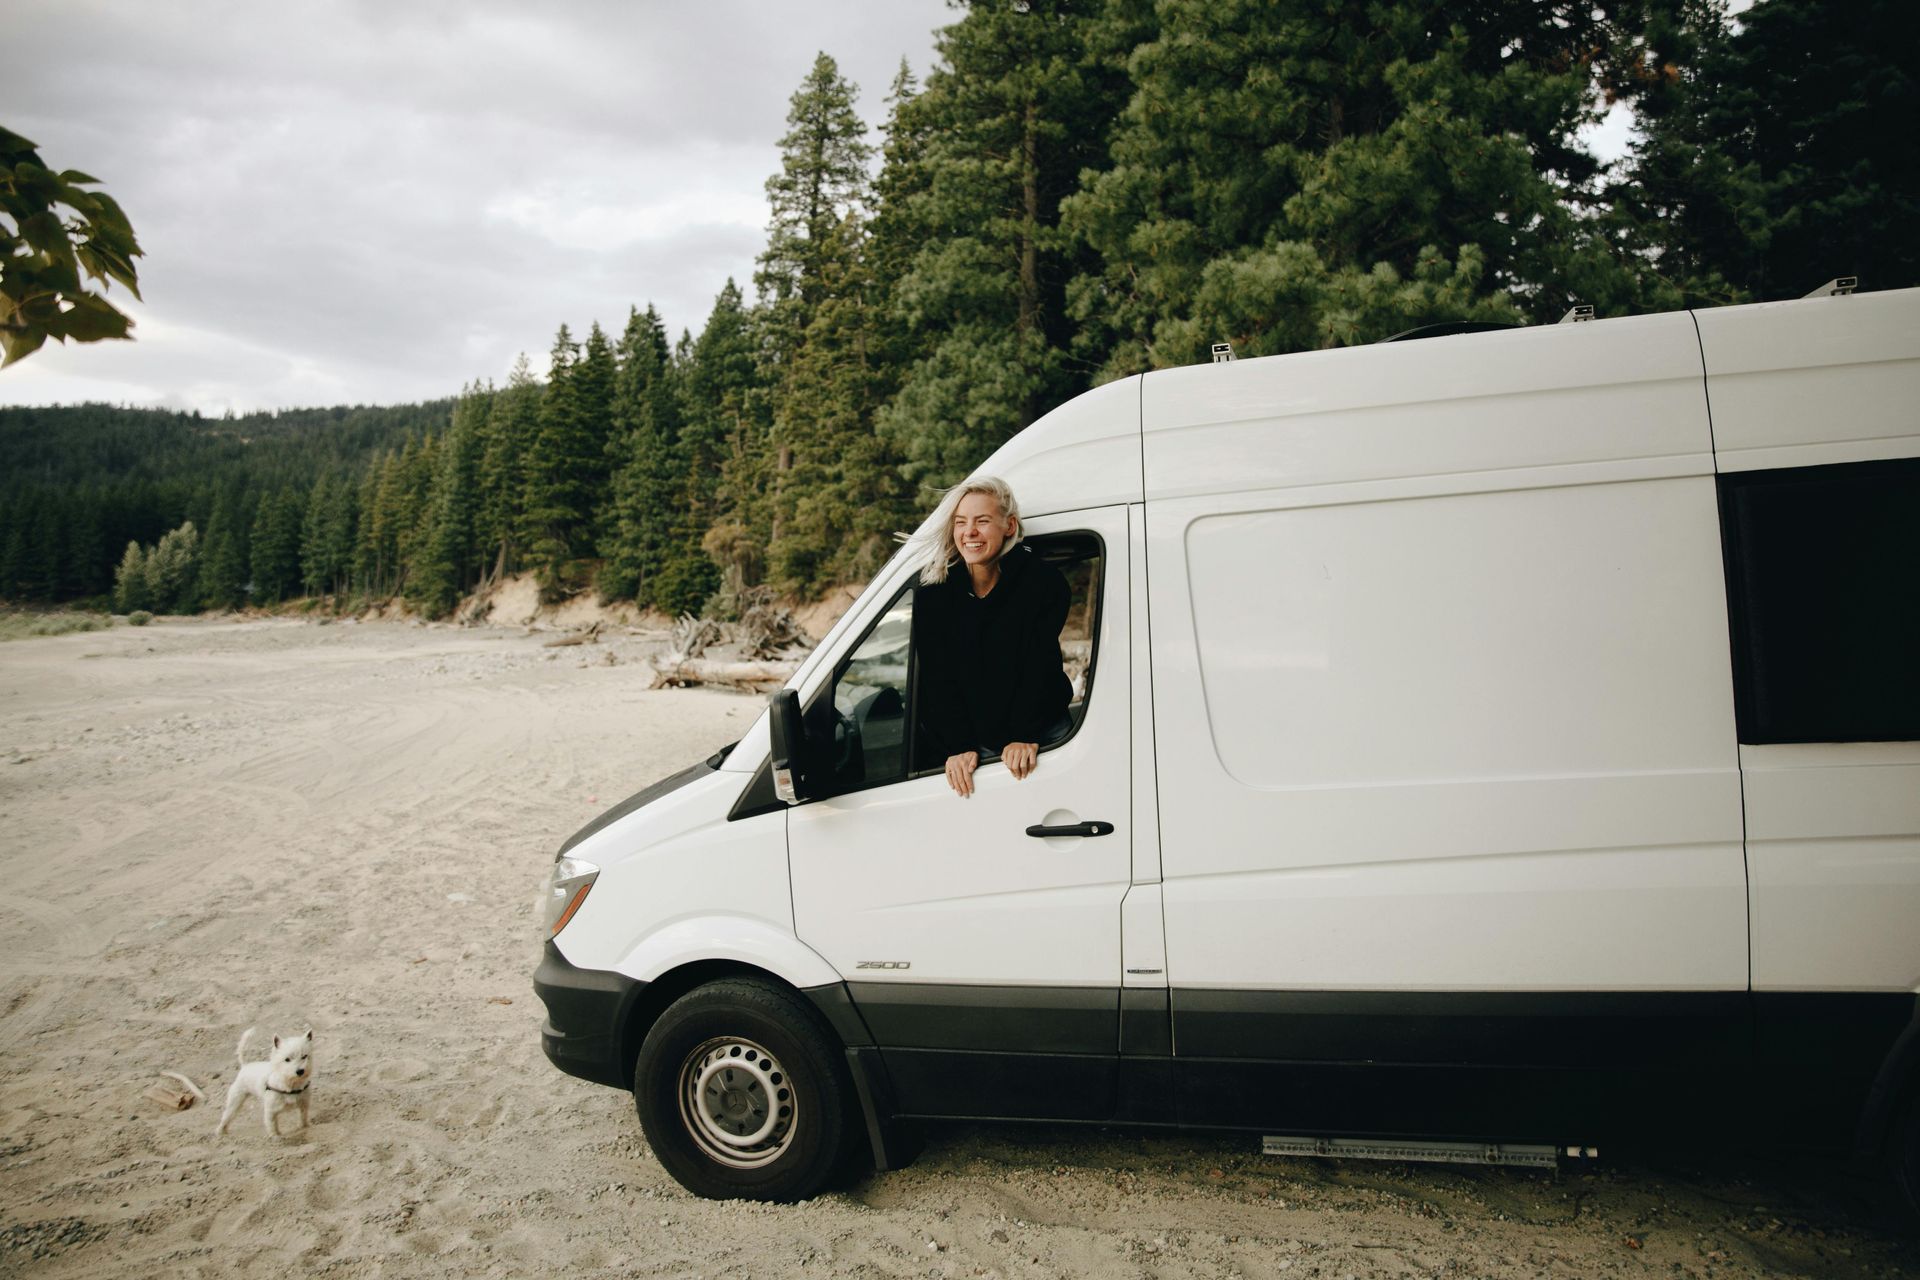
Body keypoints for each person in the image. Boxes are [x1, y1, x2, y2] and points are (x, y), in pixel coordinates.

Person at [912, 477, 1072, 798]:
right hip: (976, 742)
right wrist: (958, 745)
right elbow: (937, 677)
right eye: (961, 523)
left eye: (982, 521)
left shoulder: (1042, 583)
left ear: (1009, 526)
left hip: (1043, 731)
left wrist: (1024, 734)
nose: (969, 532)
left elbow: (1038, 664)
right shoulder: (934, 594)